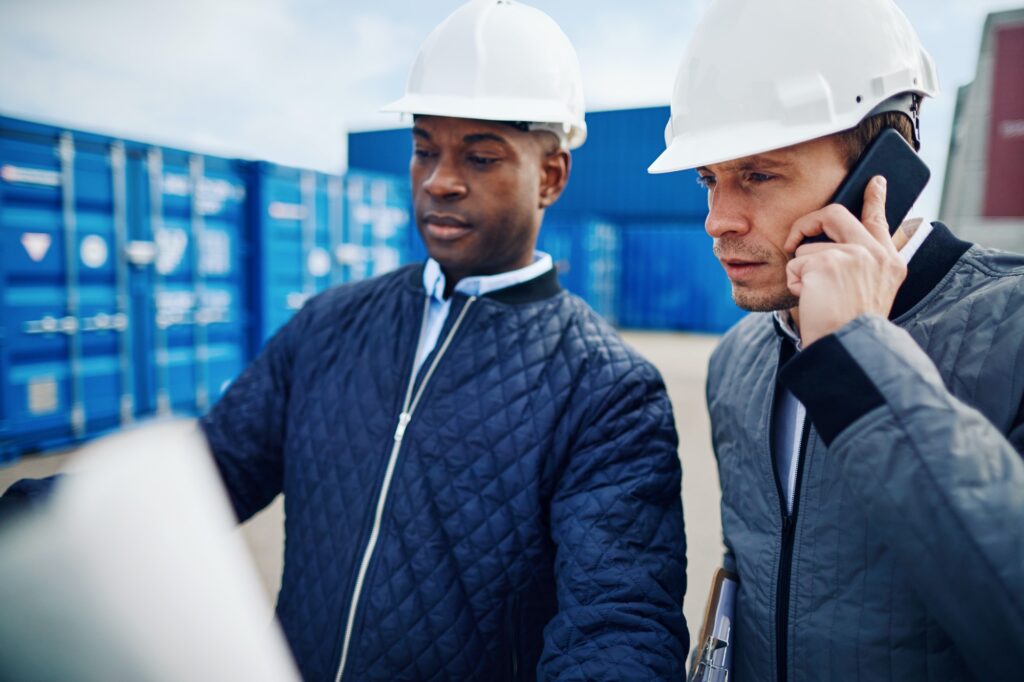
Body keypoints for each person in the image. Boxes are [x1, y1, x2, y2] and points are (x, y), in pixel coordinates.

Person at [203, 1, 688, 680]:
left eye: (480, 156)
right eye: (424, 148)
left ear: (550, 175)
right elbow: (201, 478)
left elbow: (617, 622)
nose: (440, 180)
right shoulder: (328, 326)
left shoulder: (606, 390)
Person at [648, 0, 1024, 680]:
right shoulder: (740, 359)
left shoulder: (1016, 328)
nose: (718, 220)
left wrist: (864, 356)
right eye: (710, 180)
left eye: (759, 175)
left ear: (885, 168)